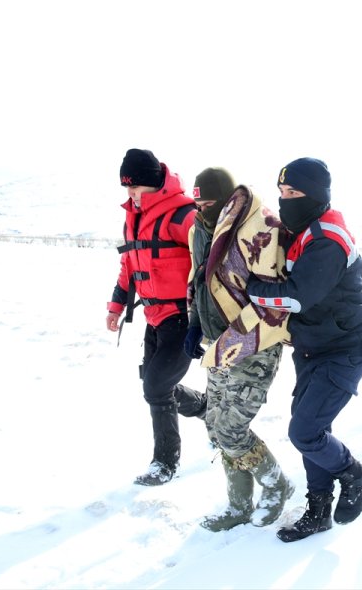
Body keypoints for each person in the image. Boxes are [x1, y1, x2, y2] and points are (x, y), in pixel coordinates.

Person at [246, 157, 362, 542]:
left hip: (344, 348)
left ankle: (355, 473)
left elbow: (298, 297)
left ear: (316, 196)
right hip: (313, 347)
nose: (286, 200)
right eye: (282, 193)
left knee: (305, 431)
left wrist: (250, 289)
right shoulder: (304, 229)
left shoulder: (326, 239)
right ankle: (319, 509)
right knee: (313, 427)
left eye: (294, 193)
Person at [184, 167, 294, 531]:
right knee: (216, 429)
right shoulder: (197, 229)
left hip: (255, 343)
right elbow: (199, 279)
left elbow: (273, 296)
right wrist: (194, 323)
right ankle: (239, 505)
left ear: (229, 198)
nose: (202, 209)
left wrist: (238, 336)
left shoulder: (259, 228)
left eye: (210, 203)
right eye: (197, 202)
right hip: (217, 345)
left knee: (232, 430)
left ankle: (278, 486)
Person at [106, 149, 208, 486]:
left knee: (156, 386)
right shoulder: (132, 217)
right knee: (155, 384)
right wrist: (117, 306)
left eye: (134, 187)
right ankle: (208, 409)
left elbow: (212, 259)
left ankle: (165, 462)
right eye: (126, 189)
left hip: (183, 317)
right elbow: (130, 266)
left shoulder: (182, 216)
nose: (130, 194)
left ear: (151, 183)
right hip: (154, 316)